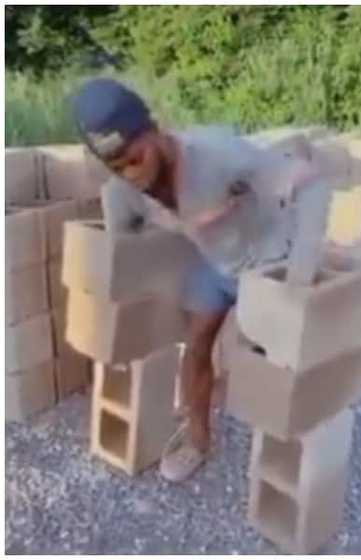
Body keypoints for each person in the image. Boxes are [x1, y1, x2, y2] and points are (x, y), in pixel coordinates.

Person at [70, 77, 330, 481]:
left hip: (267, 262)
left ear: (154, 131)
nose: (133, 176)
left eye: (136, 160)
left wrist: (299, 277)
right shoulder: (124, 189)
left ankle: (283, 457)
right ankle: (197, 440)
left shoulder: (219, 155)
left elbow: (312, 183)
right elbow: (119, 256)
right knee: (195, 347)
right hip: (214, 264)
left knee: (276, 364)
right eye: (118, 169)